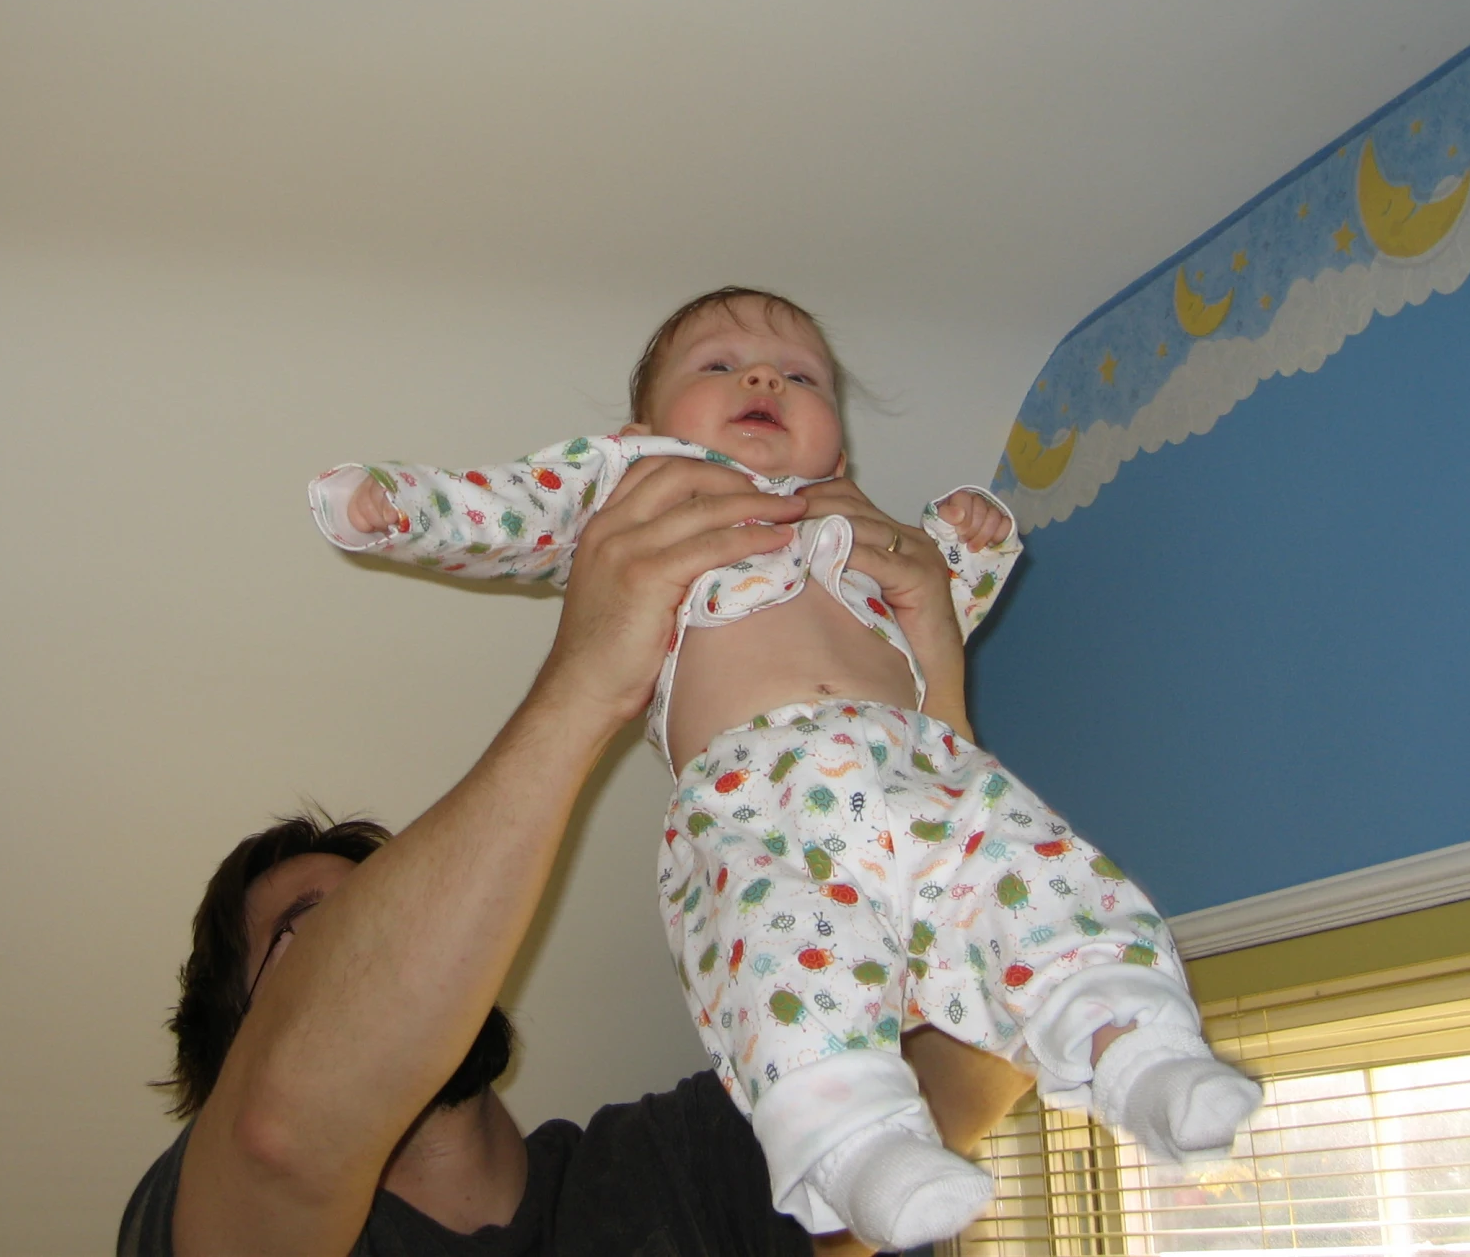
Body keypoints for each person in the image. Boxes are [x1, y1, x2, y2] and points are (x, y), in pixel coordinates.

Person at [309, 288, 1260, 1249]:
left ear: (835, 452)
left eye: (800, 376)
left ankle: (1144, 1052)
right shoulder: (640, 483)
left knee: (1042, 889)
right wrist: (398, 510)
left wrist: (969, 539)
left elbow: (939, 601)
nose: (763, 377)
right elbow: (514, 505)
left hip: (922, 773)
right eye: (717, 367)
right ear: (641, 430)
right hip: (759, 797)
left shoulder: (845, 525)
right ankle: (863, 1153)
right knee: (795, 974)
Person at [124, 455, 1029, 1256]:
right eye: (307, 934)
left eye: (381, 901)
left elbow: (981, 1053)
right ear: (232, 1044)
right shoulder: (201, 1212)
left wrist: (930, 715)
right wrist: (588, 679)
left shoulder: (679, 1165)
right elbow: (279, 1135)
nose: (383, 934)